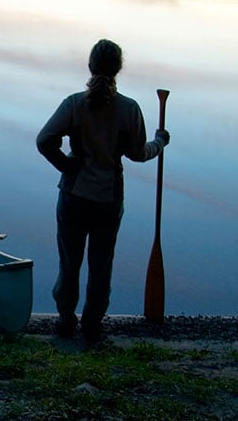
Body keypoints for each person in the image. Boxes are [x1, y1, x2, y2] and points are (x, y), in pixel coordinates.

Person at [36, 39, 170, 343]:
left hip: (73, 197)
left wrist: (67, 166)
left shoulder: (74, 103)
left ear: (90, 66)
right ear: (118, 69)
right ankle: (92, 325)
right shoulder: (129, 109)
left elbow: (45, 140)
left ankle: (66, 320)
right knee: (101, 266)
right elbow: (138, 153)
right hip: (108, 201)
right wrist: (160, 142)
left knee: (69, 263)